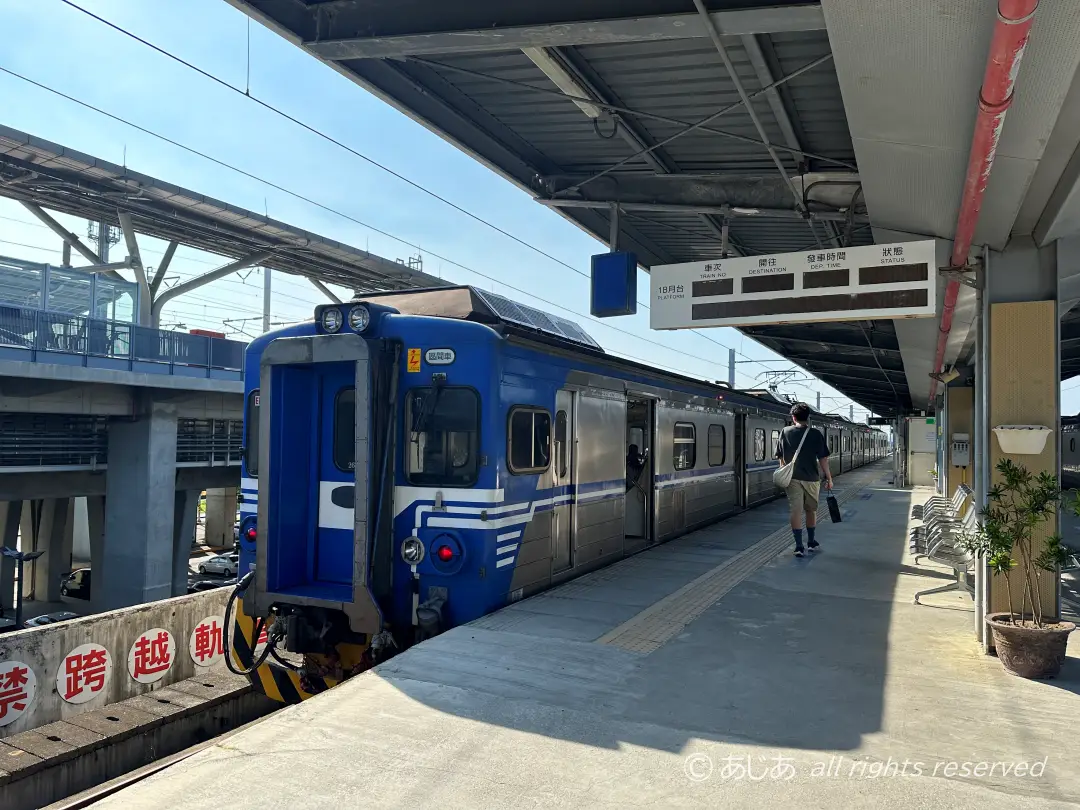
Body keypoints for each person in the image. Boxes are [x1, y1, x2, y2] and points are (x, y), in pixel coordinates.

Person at [774, 402, 832, 557]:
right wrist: (829, 478)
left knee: (796, 511)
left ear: (793, 417)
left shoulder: (784, 432)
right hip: (812, 478)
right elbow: (823, 459)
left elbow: (780, 456)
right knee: (811, 510)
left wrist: (784, 471)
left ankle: (798, 546)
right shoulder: (815, 434)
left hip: (792, 479)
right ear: (808, 418)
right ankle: (811, 542)